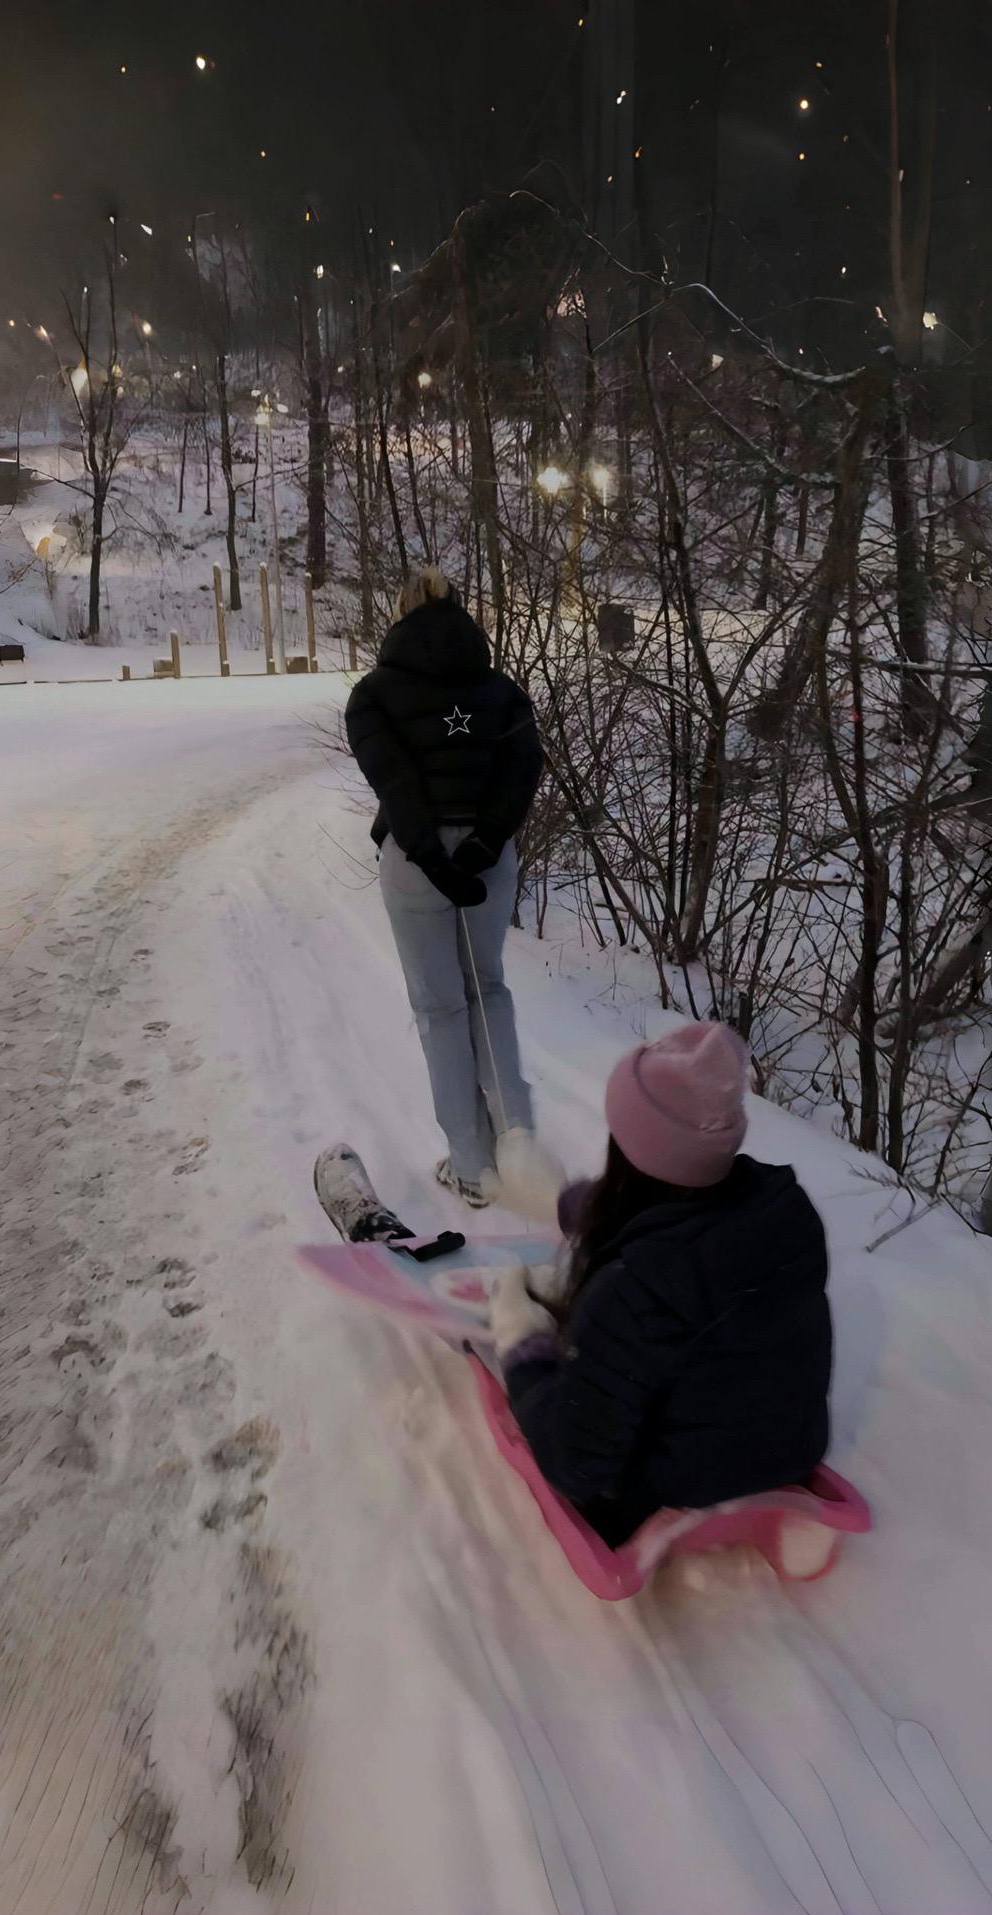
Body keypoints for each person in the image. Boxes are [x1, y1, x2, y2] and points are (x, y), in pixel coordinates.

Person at [489, 1022, 832, 1546]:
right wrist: (566, 1203)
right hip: (790, 1449)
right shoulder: (784, 1217)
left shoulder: (633, 1290)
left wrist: (523, 1349)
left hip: (671, 1483)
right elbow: (671, 1213)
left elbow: (576, 1464)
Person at [346, 565, 554, 1210]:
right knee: (486, 987)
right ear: (463, 614)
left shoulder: (374, 695)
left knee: (440, 1007)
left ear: (400, 614)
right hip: (490, 857)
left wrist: (434, 858)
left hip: (415, 860)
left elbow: (395, 781)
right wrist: (486, 842)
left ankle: (471, 1167)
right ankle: (518, 1140)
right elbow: (524, 768)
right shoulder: (500, 689)